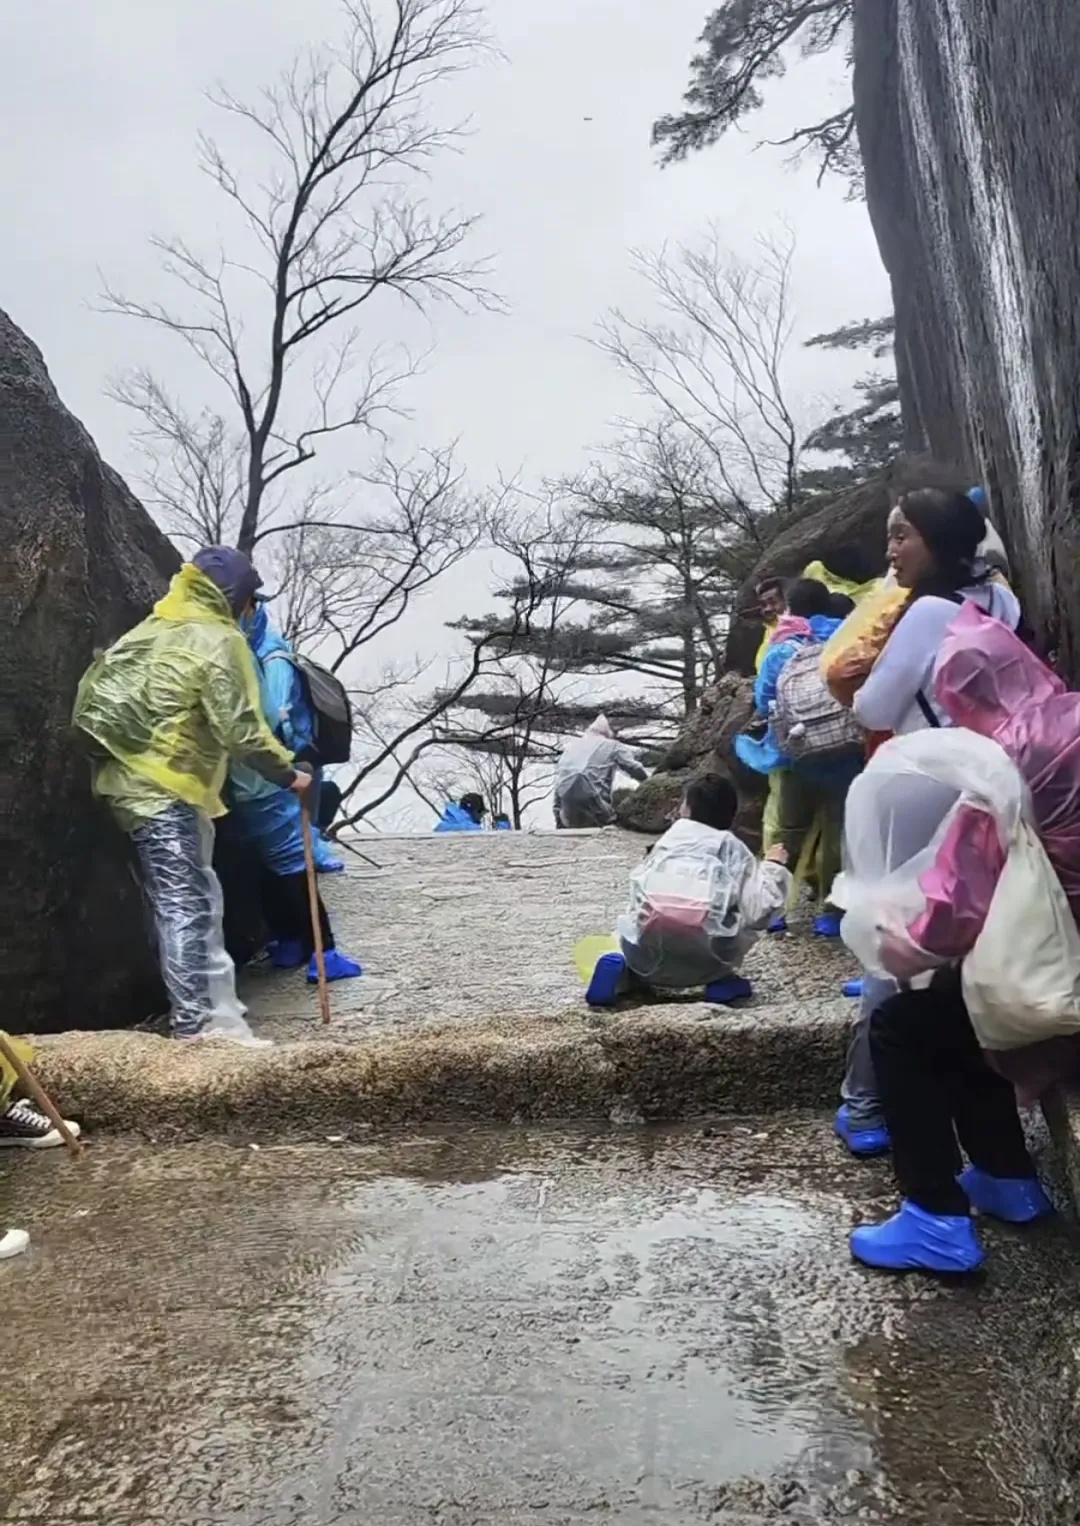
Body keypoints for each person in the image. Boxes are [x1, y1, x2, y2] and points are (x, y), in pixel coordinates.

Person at [846, 608, 1078, 1273]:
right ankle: (1007, 1179)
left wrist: (892, 936)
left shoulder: (1003, 766)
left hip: (1065, 990)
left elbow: (951, 913)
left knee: (903, 1023)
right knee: (961, 1012)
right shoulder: (1069, 718)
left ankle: (934, 1217)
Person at [834, 487, 1024, 1157]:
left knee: (895, 948)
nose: (891, 549)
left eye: (901, 535)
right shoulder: (1002, 601)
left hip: (924, 784)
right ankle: (1001, 1161)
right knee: (961, 949)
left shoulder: (926, 613)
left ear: (938, 541)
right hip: (989, 784)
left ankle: (864, 1105)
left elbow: (875, 708)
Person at [72, 546, 312, 1041]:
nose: (252, 612)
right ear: (237, 600)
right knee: (186, 903)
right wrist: (290, 775)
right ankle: (197, 1026)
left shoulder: (155, 629)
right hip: (164, 789)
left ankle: (202, 1014)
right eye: (250, 601)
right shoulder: (218, 641)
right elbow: (242, 731)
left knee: (178, 899)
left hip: (128, 783)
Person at [229, 605, 362, 984]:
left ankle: (291, 943)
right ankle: (324, 953)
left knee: (267, 863)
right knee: (291, 863)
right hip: (271, 776)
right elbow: (273, 724)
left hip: (243, 778)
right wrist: (289, 774)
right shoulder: (269, 657)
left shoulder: (248, 652)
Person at [586, 774, 791, 1007]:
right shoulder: (731, 848)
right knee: (733, 918)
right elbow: (760, 911)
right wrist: (774, 867)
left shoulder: (665, 844)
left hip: (645, 958)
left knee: (636, 926)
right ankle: (721, 982)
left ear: (688, 810)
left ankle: (624, 974)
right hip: (708, 961)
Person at [738, 578, 860, 939]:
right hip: (846, 753)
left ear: (793, 608)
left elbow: (764, 702)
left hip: (796, 754)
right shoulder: (846, 640)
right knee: (840, 832)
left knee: (788, 831)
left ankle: (775, 910)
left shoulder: (781, 648)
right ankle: (832, 911)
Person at [553, 715, 648, 829]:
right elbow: (634, 768)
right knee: (613, 826)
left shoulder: (571, 747)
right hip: (592, 800)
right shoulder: (613, 745)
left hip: (566, 803)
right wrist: (650, 783)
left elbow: (559, 782)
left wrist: (558, 818)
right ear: (608, 733)